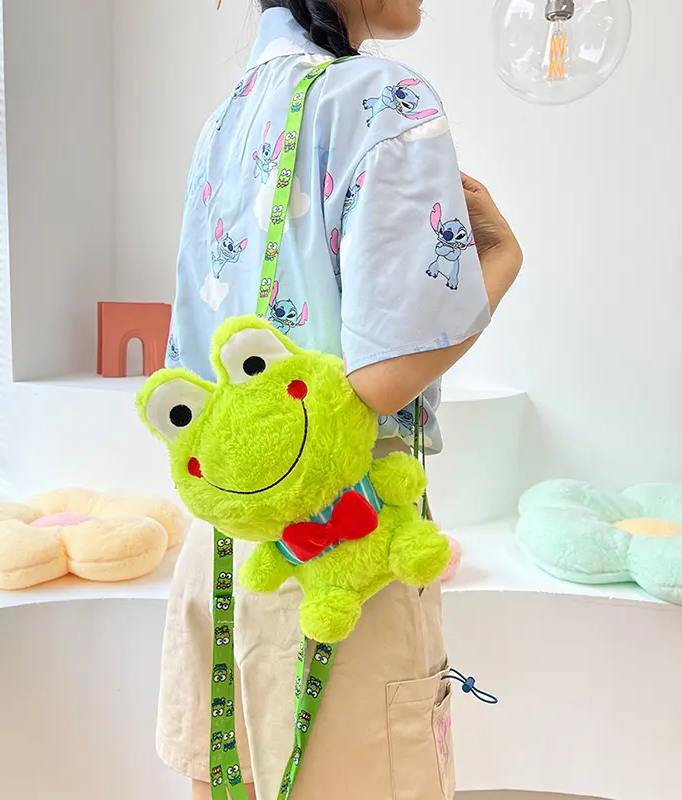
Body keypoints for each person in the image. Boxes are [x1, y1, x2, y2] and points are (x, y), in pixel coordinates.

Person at [158, 2, 523, 799]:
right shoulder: (380, 96)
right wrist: (500, 263)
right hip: (340, 553)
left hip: (223, 551)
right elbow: (382, 377)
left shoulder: (225, 122)